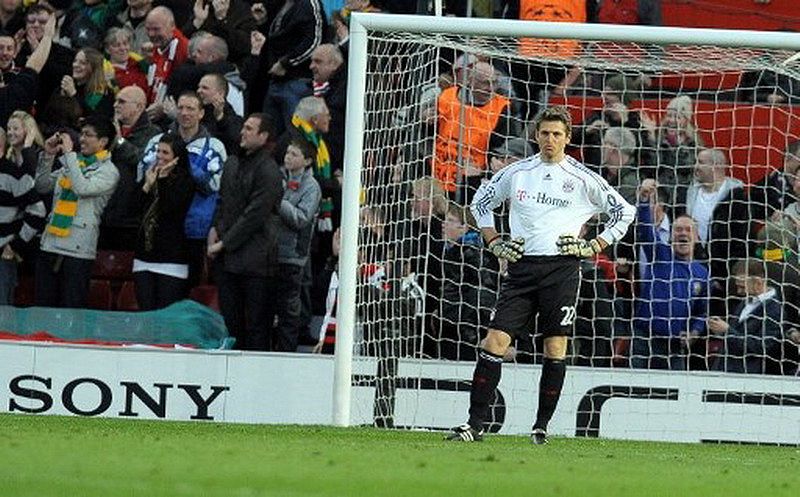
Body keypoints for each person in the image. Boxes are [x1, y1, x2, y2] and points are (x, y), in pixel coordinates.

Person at [447, 106, 635, 443]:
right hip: (521, 269)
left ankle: (541, 426)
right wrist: (494, 242)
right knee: (494, 342)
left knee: (555, 346)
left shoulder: (582, 177)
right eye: (545, 133)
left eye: (557, 134)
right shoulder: (517, 172)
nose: (550, 140)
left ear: (568, 138)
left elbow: (625, 211)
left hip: (562, 270)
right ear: (536, 136)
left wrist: (594, 245)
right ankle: (473, 425)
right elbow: (479, 204)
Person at [210, 113, 282, 351]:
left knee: (256, 326)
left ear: (263, 137)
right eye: (244, 127)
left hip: (257, 263)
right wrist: (214, 229)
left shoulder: (269, 171)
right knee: (231, 322)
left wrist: (224, 243)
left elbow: (254, 215)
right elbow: (222, 201)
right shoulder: (232, 163)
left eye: (250, 129)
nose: (243, 132)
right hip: (228, 261)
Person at [34, 115, 120, 308]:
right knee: (42, 307)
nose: (82, 139)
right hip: (50, 243)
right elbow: (42, 186)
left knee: (70, 310)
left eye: (88, 135)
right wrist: (47, 156)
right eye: (81, 134)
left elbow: (82, 188)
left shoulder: (108, 172)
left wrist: (69, 155)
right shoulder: (74, 163)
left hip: (78, 250)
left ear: (103, 142)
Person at [631, 178, 709, 371]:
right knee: (636, 389)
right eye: (678, 229)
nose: (683, 233)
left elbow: (702, 311)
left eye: (688, 229)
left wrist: (695, 332)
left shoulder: (702, 272)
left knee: (671, 396)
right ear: (671, 235)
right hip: (645, 339)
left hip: (675, 345)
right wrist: (643, 200)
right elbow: (645, 228)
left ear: (697, 236)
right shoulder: (660, 253)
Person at [133, 133, 194, 310]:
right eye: (158, 151)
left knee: (166, 317)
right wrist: (146, 186)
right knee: (146, 314)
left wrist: (163, 180)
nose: (159, 156)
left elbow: (169, 210)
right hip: (143, 258)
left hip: (171, 260)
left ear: (177, 157)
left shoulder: (186, 182)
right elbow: (132, 209)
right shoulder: (150, 176)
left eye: (165, 152)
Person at [271, 139, 321, 351]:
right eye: (288, 152)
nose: (288, 157)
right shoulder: (277, 176)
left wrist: (278, 201)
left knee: (289, 310)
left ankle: (287, 352)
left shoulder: (311, 187)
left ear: (307, 161)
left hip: (293, 255)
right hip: (269, 252)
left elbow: (302, 218)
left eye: (294, 154)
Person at [708, 259, 783, 374]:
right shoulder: (746, 301)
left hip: (746, 376)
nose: (738, 291)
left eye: (742, 287)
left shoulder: (775, 310)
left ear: (758, 282)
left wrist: (727, 331)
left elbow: (761, 347)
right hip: (724, 370)